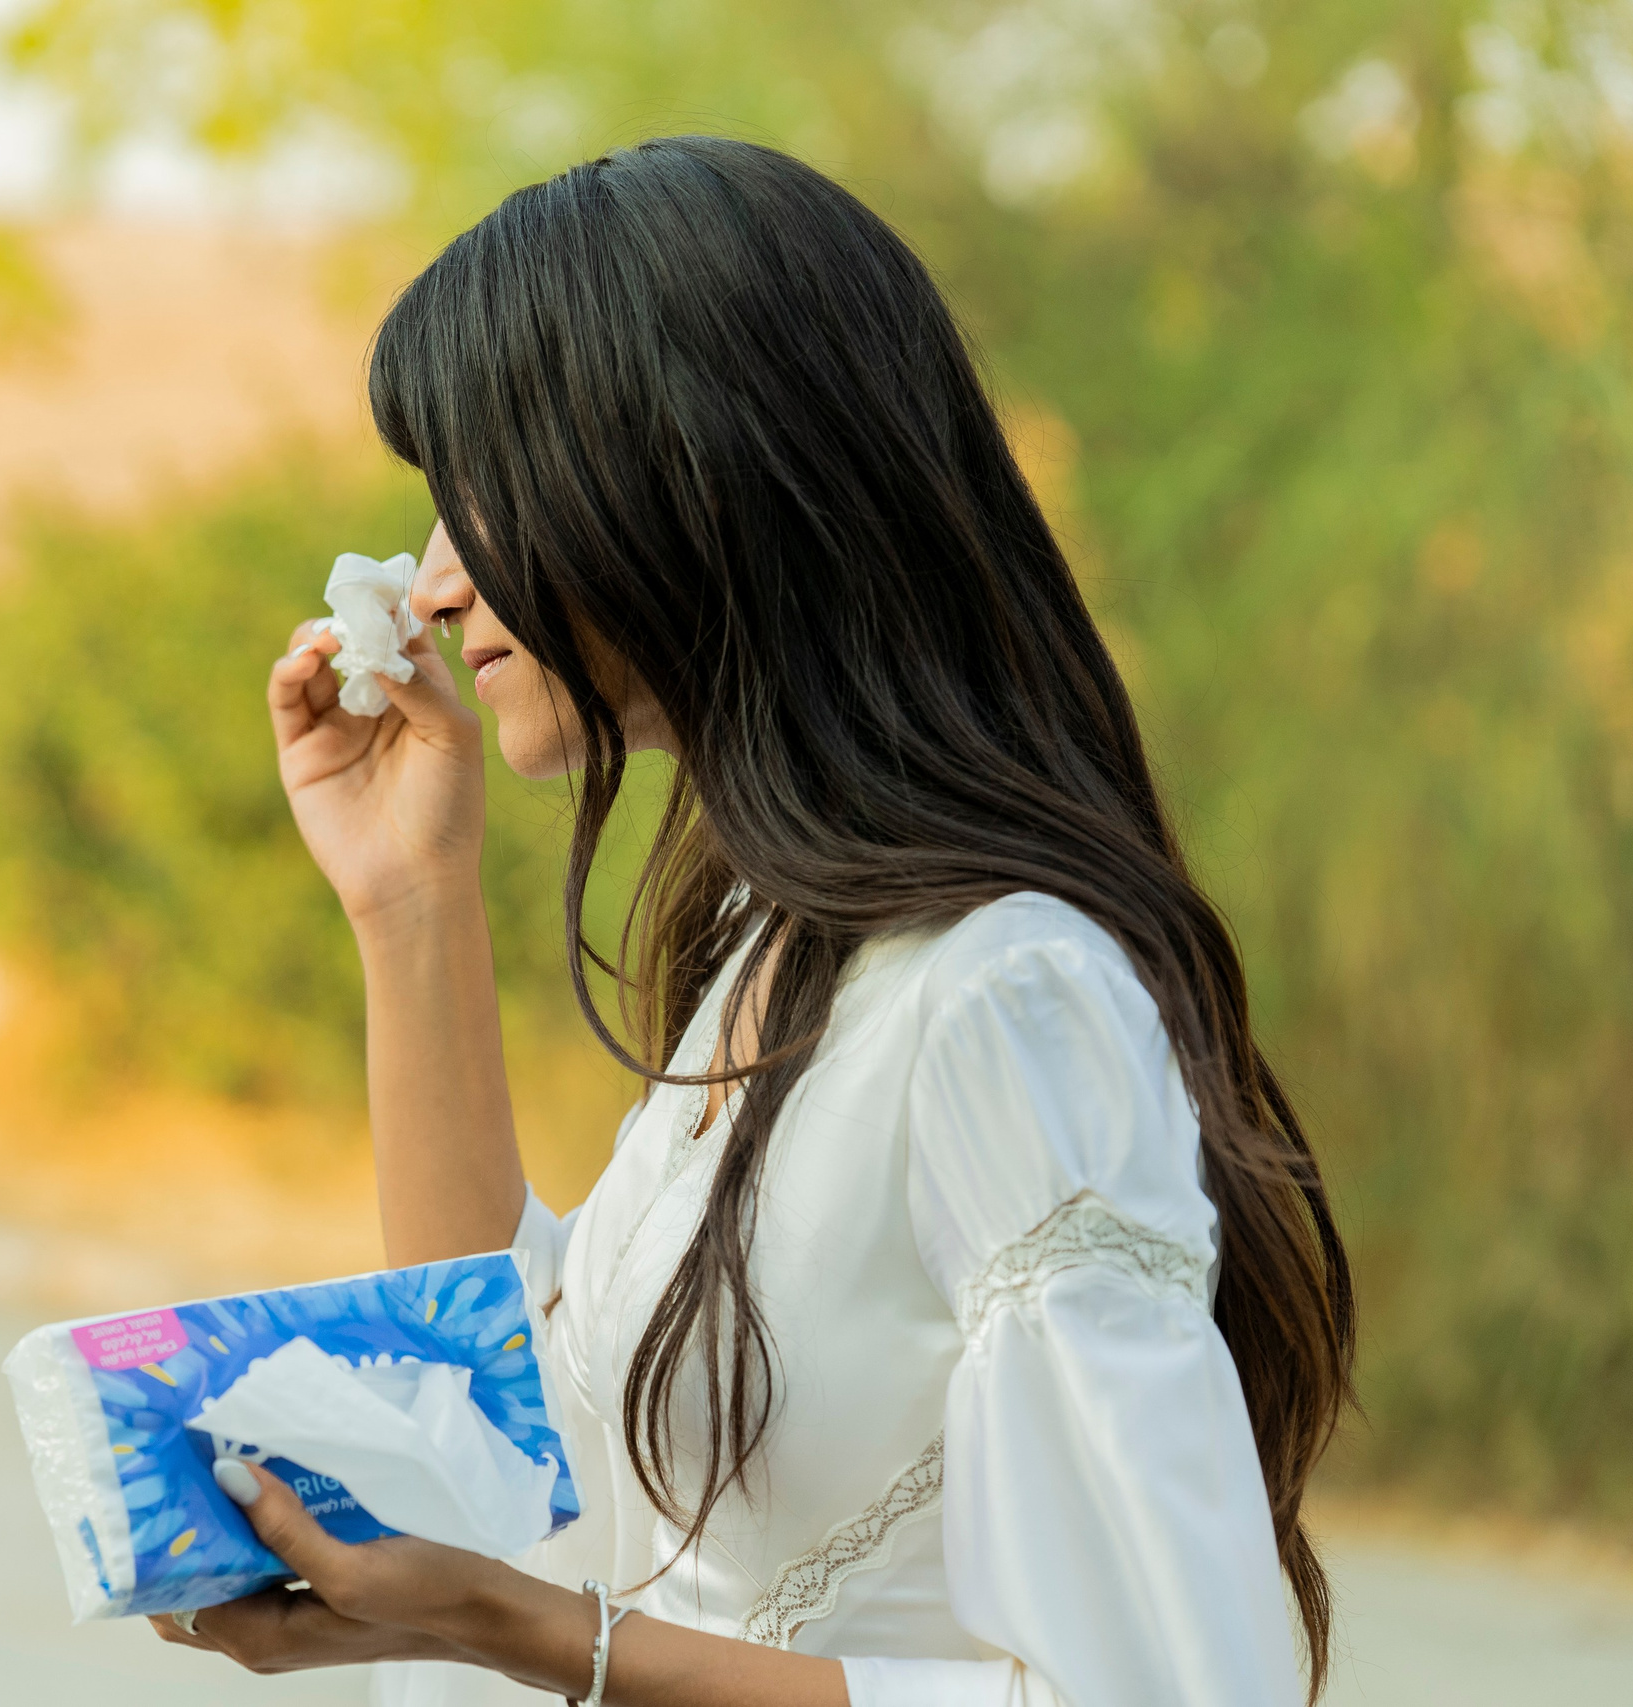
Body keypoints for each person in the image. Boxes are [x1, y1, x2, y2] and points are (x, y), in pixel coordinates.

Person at [148, 136, 1354, 1707]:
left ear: (683, 475)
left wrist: (530, 1635)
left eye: (473, 493)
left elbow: (1162, 1690)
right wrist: (408, 903)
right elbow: (510, 1440)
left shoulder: (1008, 991)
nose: (434, 580)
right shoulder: (776, 961)